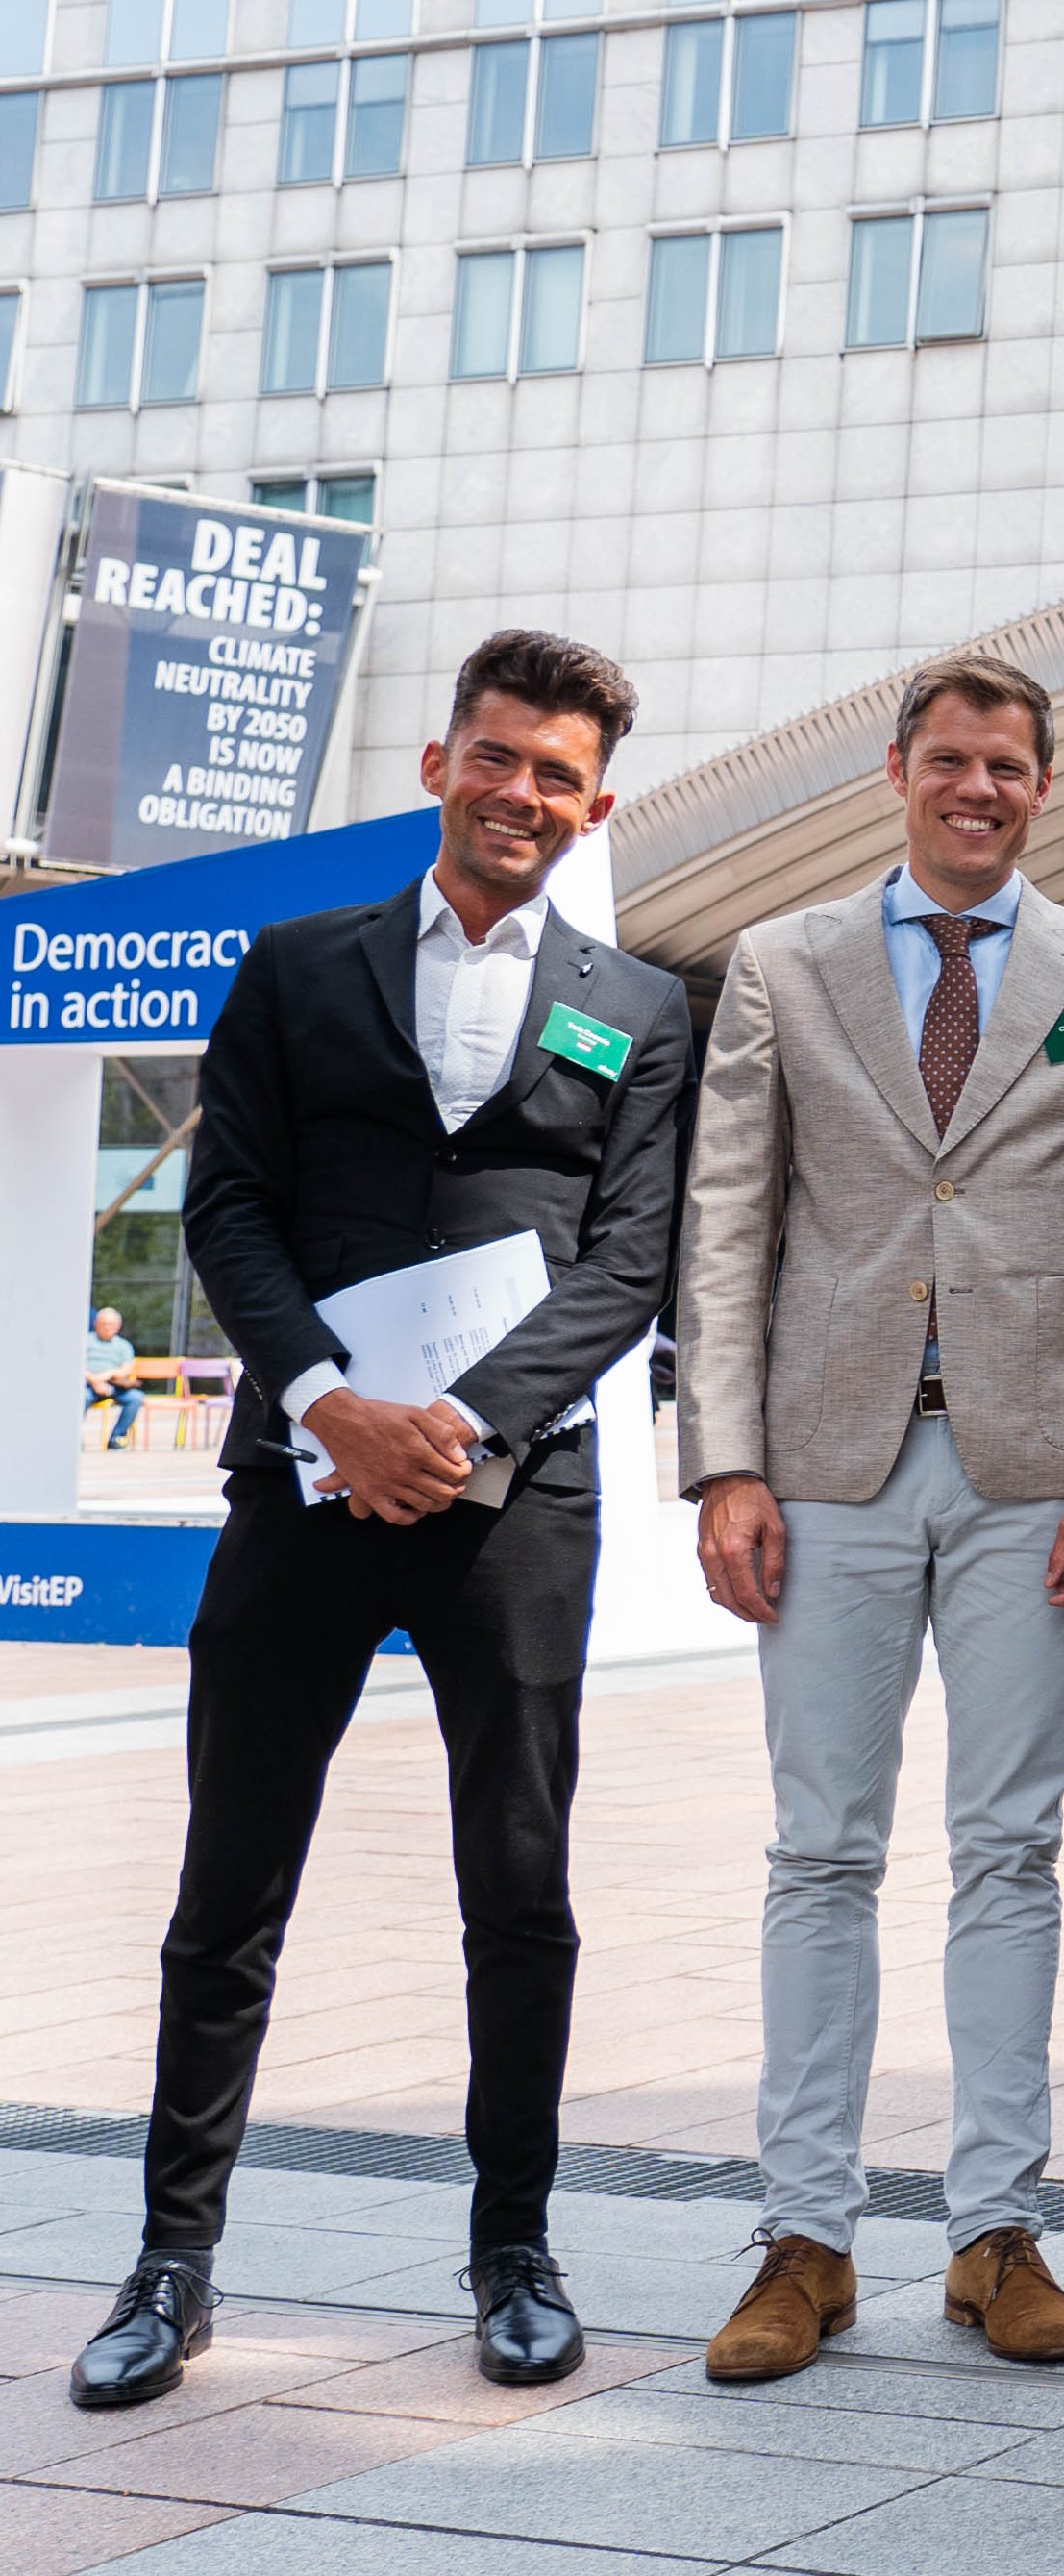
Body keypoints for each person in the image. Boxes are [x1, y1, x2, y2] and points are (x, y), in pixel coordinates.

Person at [74, 632, 694, 2412]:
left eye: (555, 775)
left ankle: (516, 2252)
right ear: (439, 763)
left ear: (594, 805)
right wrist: (332, 1400)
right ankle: (171, 2263)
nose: (520, 794)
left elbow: (629, 1259)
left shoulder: (639, 1006)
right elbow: (231, 1207)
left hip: (514, 1502)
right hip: (304, 1480)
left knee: (519, 1885)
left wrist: (467, 1421)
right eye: (494, 758)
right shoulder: (297, 968)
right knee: (228, 1887)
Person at [675, 654, 1064, 2382]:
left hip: (1033, 1475)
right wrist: (723, 1460)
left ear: (1044, 787)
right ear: (899, 769)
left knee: (1011, 1849)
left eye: (1011, 768)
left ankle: (994, 2235)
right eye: (952, 760)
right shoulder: (782, 962)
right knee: (819, 1848)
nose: (979, 789)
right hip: (819, 1467)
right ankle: (804, 2242)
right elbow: (728, 1218)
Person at [84, 1309, 141, 1449]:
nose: (107, 1327)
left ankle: (117, 1438)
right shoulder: (85, 1341)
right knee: (80, 1397)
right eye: (103, 1324)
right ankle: (72, 1437)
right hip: (87, 1385)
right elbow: (75, 1367)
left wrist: (109, 1374)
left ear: (118, 1326)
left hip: (115, 1386)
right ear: (95, 1324)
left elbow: (126, 1369)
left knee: (135, 1397)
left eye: (111, 1324)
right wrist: (95, 1380)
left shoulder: (124, 1346)